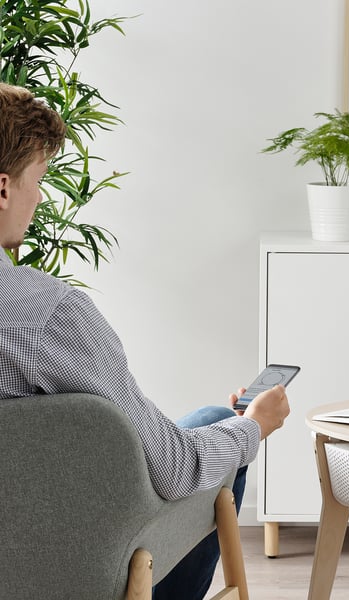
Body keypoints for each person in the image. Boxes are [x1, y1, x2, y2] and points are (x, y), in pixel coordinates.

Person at [0, 83, 290, 598]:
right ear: (3, 189)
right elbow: (174, 468)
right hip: (70, 567)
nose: (40, 197)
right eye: (37, 180)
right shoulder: (44, 316)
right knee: (216, 425)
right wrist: (253, 427)